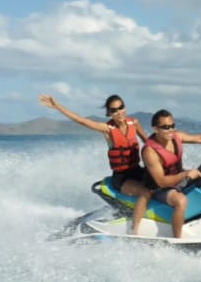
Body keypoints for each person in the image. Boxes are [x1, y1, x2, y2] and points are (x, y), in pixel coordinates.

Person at [38, 93, 151, 228]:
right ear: (109, 113)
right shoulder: (107, 129)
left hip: (137, 171)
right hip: (122, 178)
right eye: (114, 110)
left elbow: (149, 143)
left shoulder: (134, 123)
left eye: (121, 108)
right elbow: (81, 121)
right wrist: (57, 106)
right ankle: (136, 229)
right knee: (145, 192)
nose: (119, 112)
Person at [140, 109, 201, 239]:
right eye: (165, 127)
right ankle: (177, 240)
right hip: (158, 188)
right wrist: (185, 174)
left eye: (172, 126)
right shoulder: (150, 151)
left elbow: (200, 138)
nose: (170, 130)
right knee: (181, 201)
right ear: (155, 129)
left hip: (179, 179)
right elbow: (161, 182)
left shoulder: (176, 136)